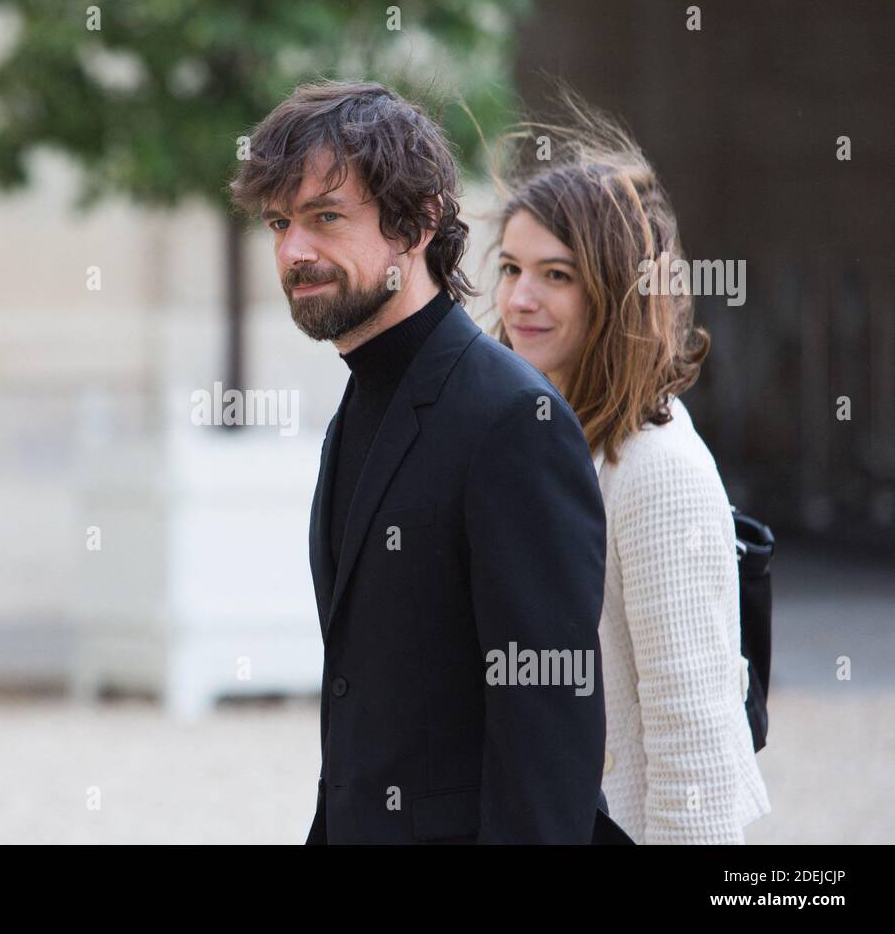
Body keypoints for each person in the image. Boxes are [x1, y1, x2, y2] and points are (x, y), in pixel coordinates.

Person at [230, 79, 617, 843]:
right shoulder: (364, 403)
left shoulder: (511, 419)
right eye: (279, 222)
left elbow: (548, 730)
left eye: (325, 218)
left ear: (418, 223)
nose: (293, 250)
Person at [489, 98, 771, 843]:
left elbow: (698, 735)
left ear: (617, 291)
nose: (519, 299)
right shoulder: (543, 438)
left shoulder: (658, 469)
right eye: (511, 268)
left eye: (556, 274)